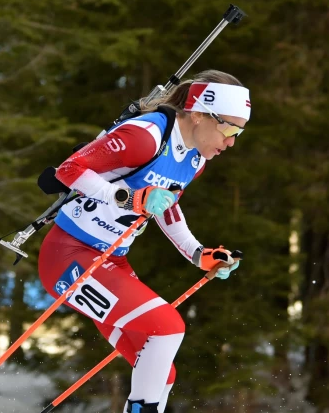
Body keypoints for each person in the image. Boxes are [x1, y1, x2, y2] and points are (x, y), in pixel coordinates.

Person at [38, 70, 250, 413]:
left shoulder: (195, 160)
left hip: (112, 260)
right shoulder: (146, 135)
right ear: (197, 114)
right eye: (228, 128)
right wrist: (128, 198)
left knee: (162, 368)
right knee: (167, 328)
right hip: (70, 256)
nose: (231, 141)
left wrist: (198, 253)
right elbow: (69, 170)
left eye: (239, 132)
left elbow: (167, 206)